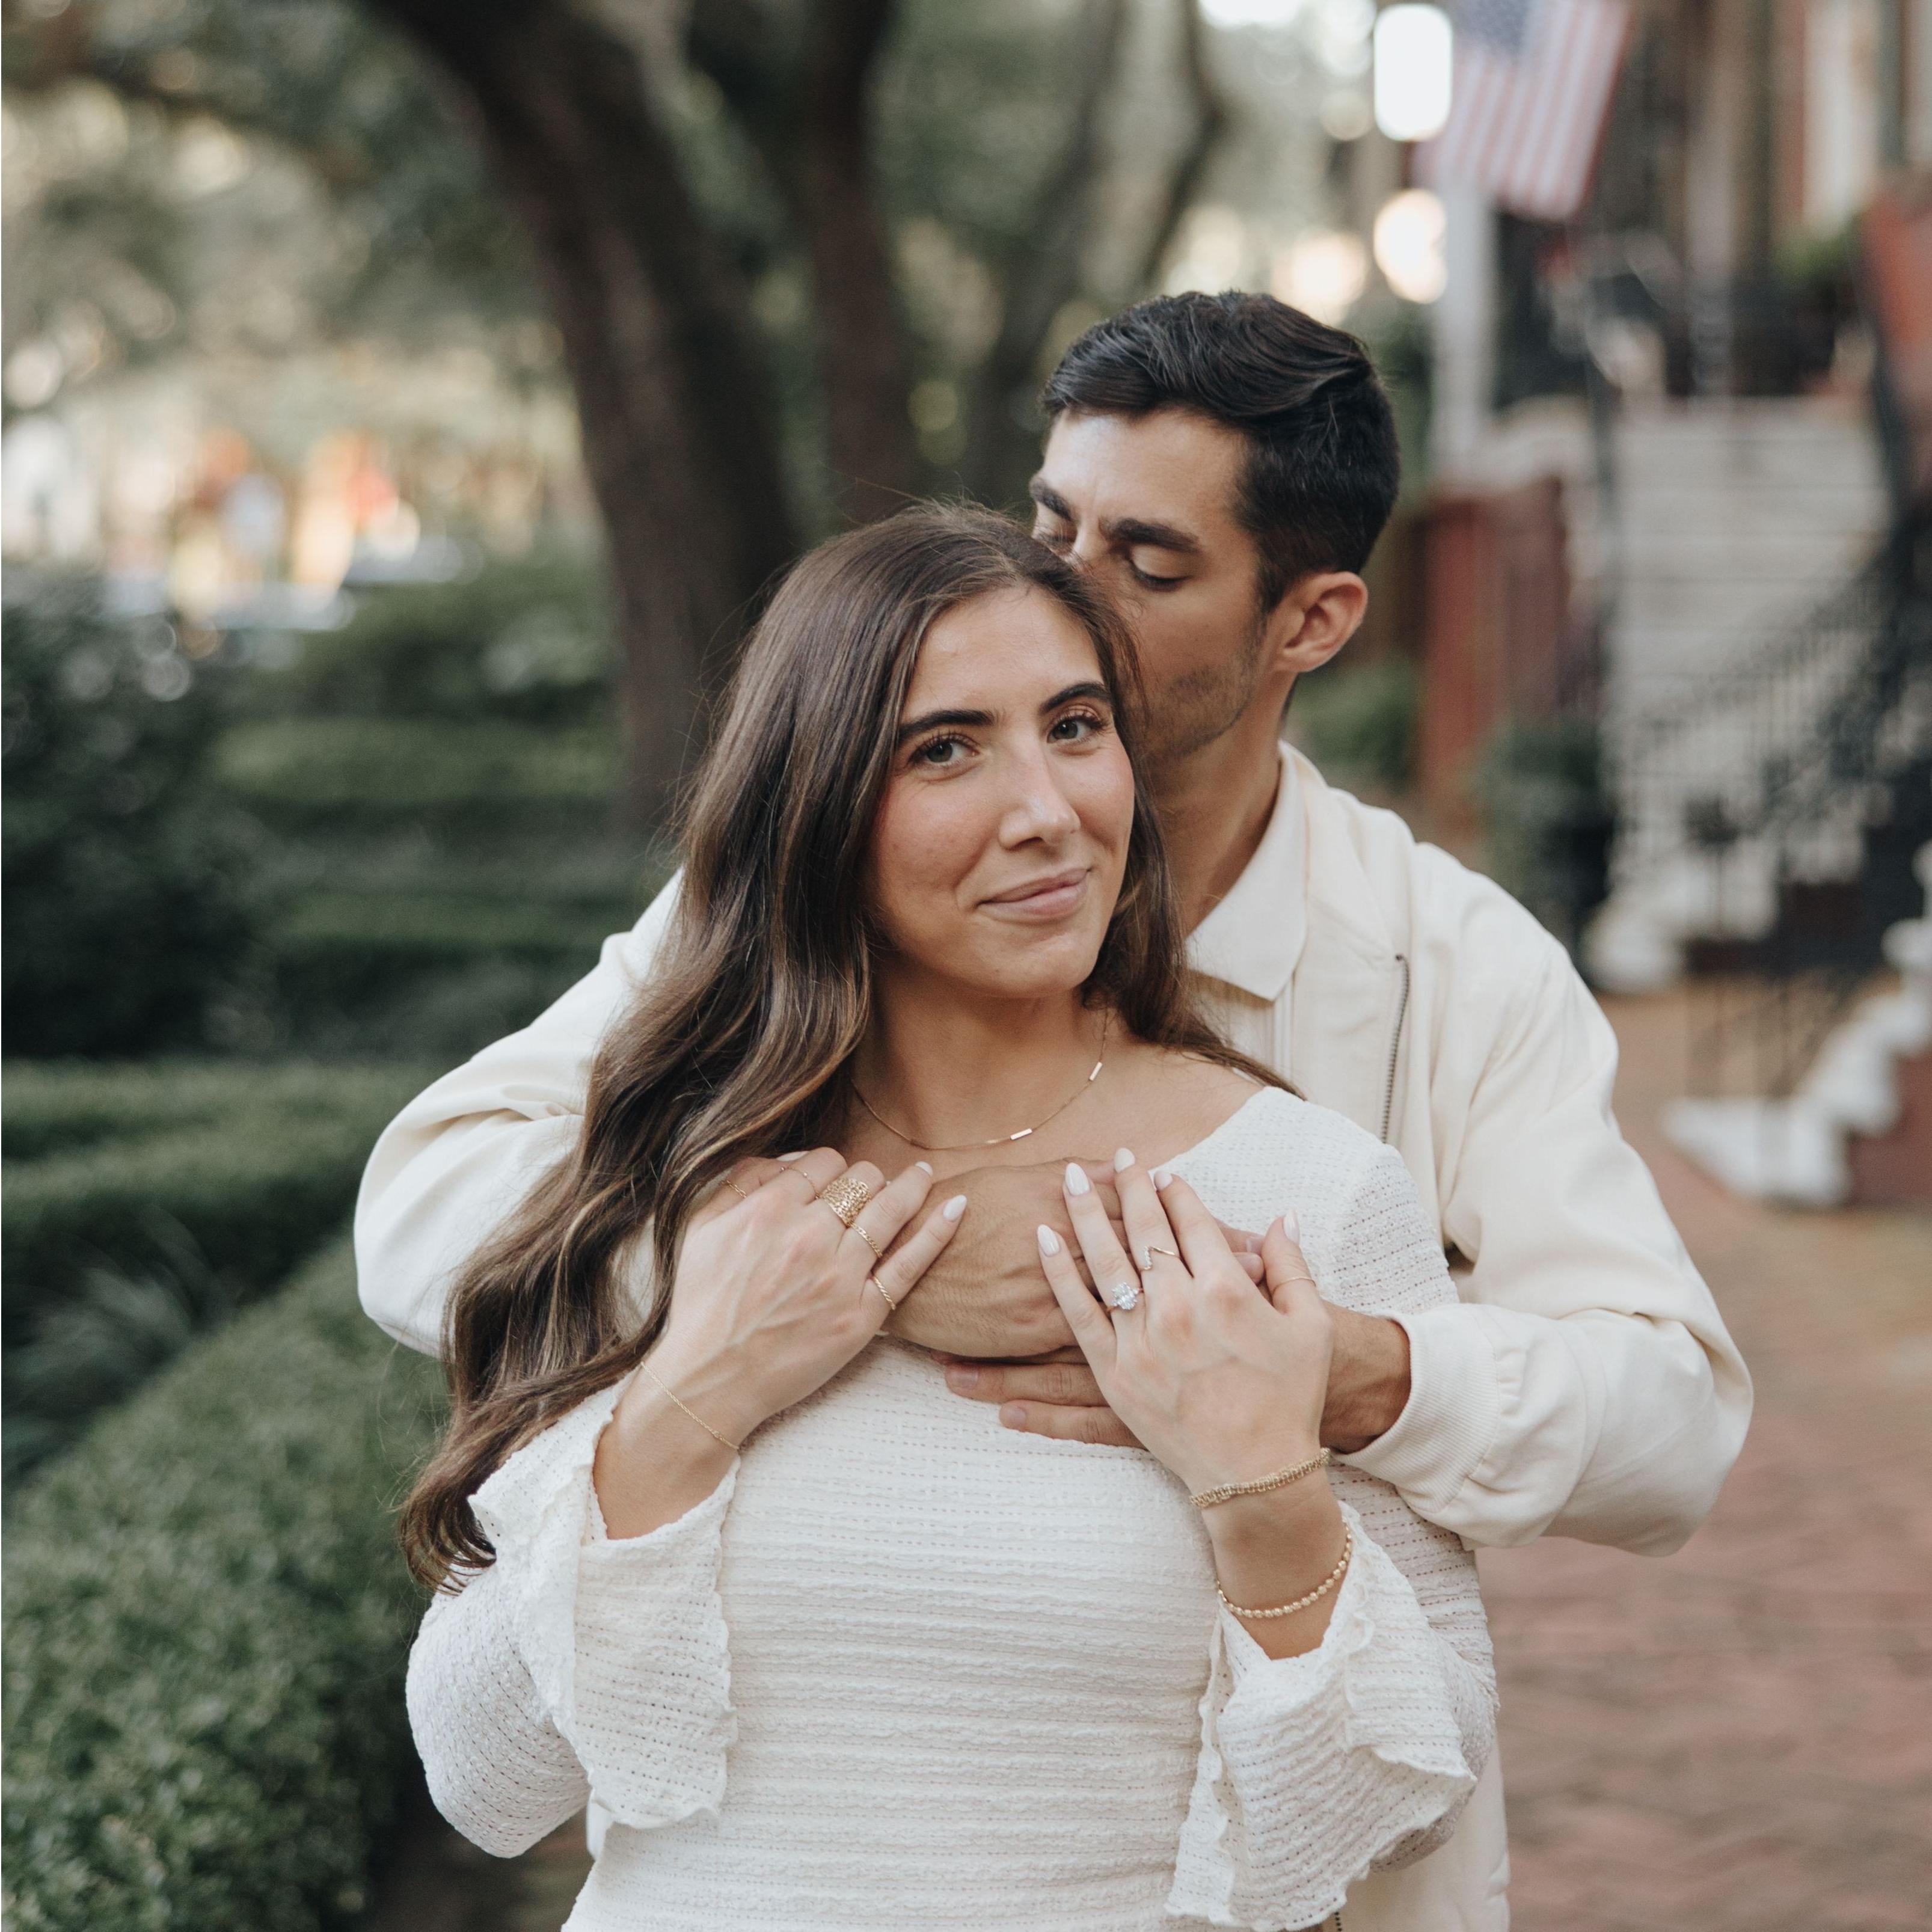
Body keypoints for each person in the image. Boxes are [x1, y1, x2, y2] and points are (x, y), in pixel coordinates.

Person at [359, 293, 1748, 1562]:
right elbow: (426, 1199)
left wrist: (1336, 1368)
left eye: (1145, 562)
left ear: (1309, 623)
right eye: (1052, 525)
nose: (1065, 586)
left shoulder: (1452, 962)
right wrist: (825, 1268)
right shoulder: (836, 884)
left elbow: (1670, 1422)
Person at [401, 508, 1499, 1929]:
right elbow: (484, 1778)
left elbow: (1417, 1794)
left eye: (1075, 726)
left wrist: (1264, 1491)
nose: (1045, 809)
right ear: (813, 807)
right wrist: (693, 1395)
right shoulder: (688, 1183)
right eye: (943, 748)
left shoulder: (1303, 1191)